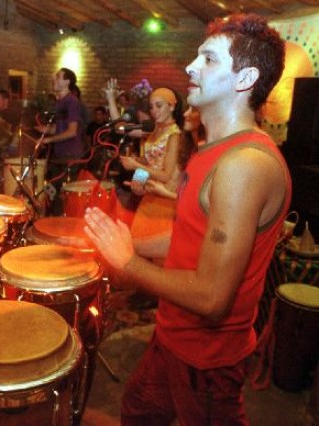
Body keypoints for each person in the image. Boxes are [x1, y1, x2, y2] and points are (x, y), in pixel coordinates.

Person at [84, 13, 290, 425]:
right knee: (138, 412)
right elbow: (190, 235)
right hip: (171, 335)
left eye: (208, 60)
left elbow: (212, 299)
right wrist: (126, 242)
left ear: (245, 78)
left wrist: (128, 262)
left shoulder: (245, 164)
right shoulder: (212, 150)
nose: (190, 67)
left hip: (207, 360)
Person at [120, 87, 184, 249]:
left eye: (159, 105)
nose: (154, 111)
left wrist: (135, 165)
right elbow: (150, 161)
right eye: (151, 106)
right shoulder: (155, 129)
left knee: (148, 252)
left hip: (164, 201)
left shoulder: (174, 135)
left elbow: (165, 175)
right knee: (135, 248)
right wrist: (138, 182)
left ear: (172, 106)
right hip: (150, 195)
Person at [34, 67, 84, 215]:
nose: (53, 79)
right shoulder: (60, 102)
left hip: (70, 157)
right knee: (54, 195)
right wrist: (45, 129)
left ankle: (60, 227)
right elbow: (61, 128)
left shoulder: (71, 102)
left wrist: (48, 139)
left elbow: (72, 131)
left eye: (58, 77)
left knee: (61, 198)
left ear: (67, 82)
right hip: (60, 156)